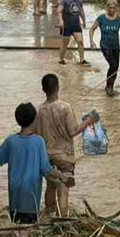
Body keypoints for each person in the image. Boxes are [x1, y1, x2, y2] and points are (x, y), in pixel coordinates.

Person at [0, 102, 59, 224]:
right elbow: (46, 169)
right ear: (34, 119)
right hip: (31, 189)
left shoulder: (11, 140)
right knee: (30, 224)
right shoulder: (38, 141)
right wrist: (59, 175)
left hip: (15, 189)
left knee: (16, 222)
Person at [31, 73, 90, 216]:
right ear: (57, 87)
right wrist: (88, 121)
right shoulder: (65, 107)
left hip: (46, 157)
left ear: (43, 90)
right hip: (64, 156)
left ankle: (48, 214)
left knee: (50, 186)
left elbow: (35, 135)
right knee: (63, 191)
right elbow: (73, 131)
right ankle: (63, 220)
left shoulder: (38, 110)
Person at [89, 0, 120, 96]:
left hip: (116, 46)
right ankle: (109, 88)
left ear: (116, 8)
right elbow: (92, 29)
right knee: (113, 65)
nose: (112, 10)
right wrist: (91, 41)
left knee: (115, 67)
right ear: (106, 8)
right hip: (105, 45)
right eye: (110, 8)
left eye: (113, 8)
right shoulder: (101, 18)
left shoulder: (119, 19)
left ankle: (110, 85)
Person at [58, 0, 87, 64]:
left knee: (80, 42)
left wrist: (84, 21)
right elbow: (59, 11)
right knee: (65, 43)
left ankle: (82, 60)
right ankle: (61, 59)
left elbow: (81, 11)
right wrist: (60, 20)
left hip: (76, 25)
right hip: (67, 25)